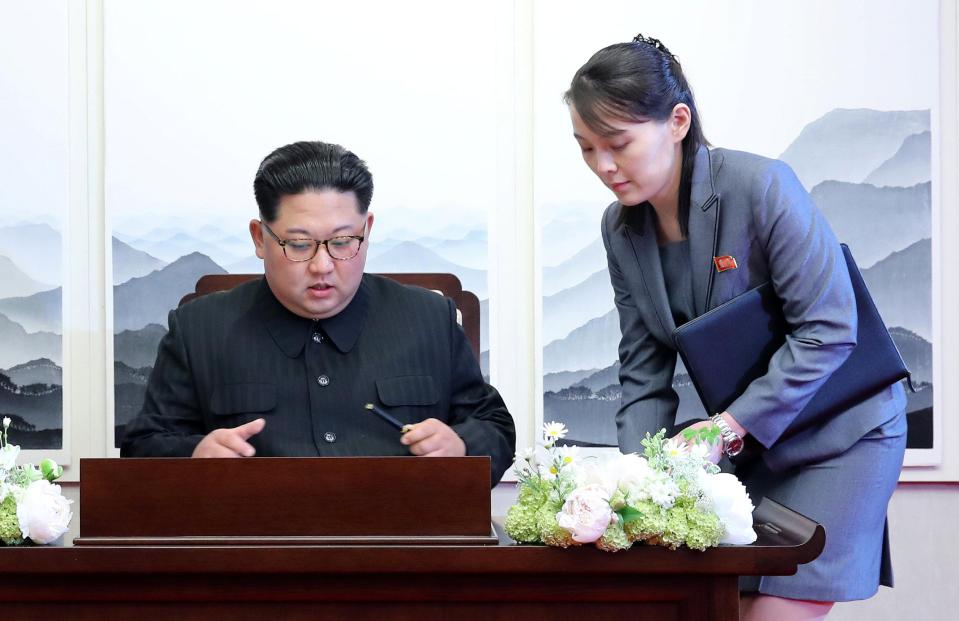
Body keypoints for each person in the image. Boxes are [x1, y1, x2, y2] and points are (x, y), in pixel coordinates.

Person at [565, 35, 906, 620]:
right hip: (743, 447)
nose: (603, 166)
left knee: (772, 612)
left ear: (677, 122)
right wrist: (632, 484)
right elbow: (643, 372)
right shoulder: (619, 229)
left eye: (618, 144)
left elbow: (828, 328)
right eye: (586, 148)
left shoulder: (762, 186)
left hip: (841, 436)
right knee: (706, 606)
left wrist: (727, 428)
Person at [121, 140, 516, 486]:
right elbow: (143, 446)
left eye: (343, 242)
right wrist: (195, 455)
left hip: (402, 553)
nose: (322, 265)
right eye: (299, 245)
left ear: (367, 229)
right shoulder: (200, 329)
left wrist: (461, 444)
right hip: (253, 555)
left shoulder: (428, 318)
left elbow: (494, 425)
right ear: (260, 238)